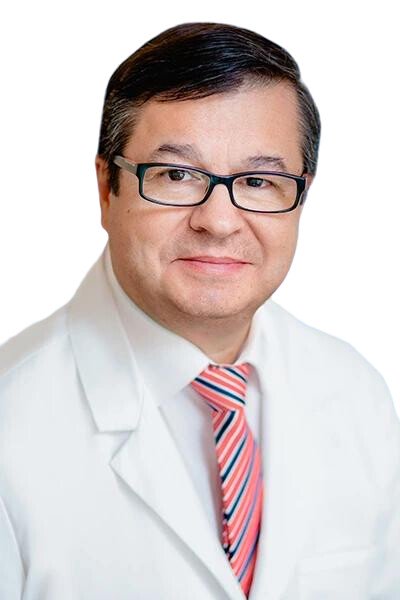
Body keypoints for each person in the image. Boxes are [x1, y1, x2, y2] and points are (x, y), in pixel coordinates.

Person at [0, 21, 399, 600]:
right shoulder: (11, 423)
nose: (218, 220)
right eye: (177, 175)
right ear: (107, 188)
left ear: (300, 198)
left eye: (259, 181)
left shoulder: (357, 392)